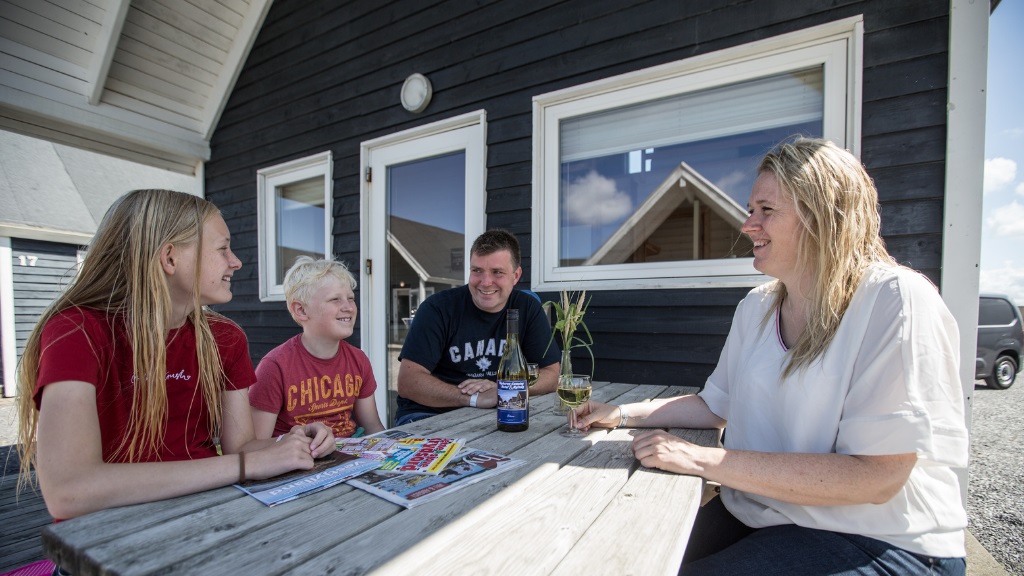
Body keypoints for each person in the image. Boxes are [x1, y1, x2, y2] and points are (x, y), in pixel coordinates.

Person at [577, 138, 968, 575]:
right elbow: (714, 405)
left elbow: (878, 478)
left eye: (766, 210)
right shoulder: (757, 307)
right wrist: (623, 413)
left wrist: (699, 458)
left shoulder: (895, 299)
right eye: (750, 210)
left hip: (879, 538)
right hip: (763, 511)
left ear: (825, 218)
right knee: (621, 555)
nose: (748, 225)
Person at [15, 189, 335, 521]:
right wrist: (245, 465)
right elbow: (69, 491)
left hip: (207, 516)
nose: (235, 262)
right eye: (223, 249)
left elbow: (242, 447)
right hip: (106, 533)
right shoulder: (76, 331)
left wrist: (293, 441)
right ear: (170, 258)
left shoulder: (224, 337)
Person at [395, 229, 561, 425]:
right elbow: (408, 382)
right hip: (429, 415)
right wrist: (474, 398)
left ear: (516, 276)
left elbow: (551, 374)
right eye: (477, 271)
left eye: (497, 272)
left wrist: (501, 389)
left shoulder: (526, 307)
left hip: (495, 412)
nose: (485, 282)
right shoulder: (437, 309)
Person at [249, 256, 385, 439]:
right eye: (335, 299)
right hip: (297, 462)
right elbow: (256, 446)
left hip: (352, 457)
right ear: (301, 311)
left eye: (351, 298)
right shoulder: (274, 367)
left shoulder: (358, 359)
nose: (349, 307)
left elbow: (373, 427)